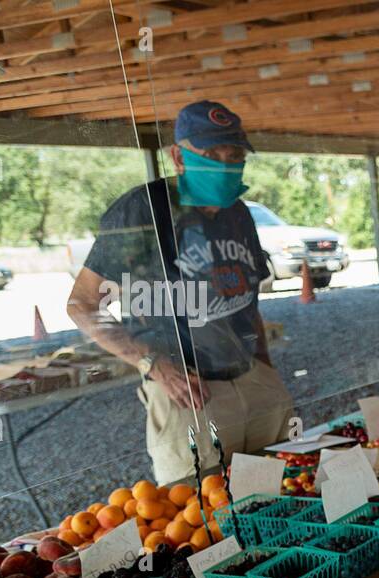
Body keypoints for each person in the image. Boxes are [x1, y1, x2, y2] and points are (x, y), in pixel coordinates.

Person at [67, 100, 294, 485]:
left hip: (253, 381)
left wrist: (265, 368)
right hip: (189, 390)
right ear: (178, 156)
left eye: (234, 154)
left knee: (279, 494)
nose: (224, 164)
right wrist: (152, 363)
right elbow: (83, 305)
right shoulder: (144, 210)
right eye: (210, 154)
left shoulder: (237, 212)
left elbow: (248, 300)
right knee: (199, 517)